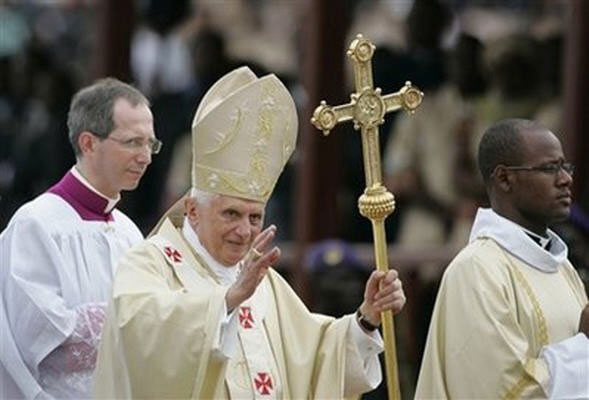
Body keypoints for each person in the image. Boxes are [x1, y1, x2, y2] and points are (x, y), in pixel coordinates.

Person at [93, 66, 406, 399]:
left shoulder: (260, 279)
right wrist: (225, 302)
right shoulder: (149, 263)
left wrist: (367, 318)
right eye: (231, 214)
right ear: (193, 210)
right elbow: (139, 338)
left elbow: (316, 356)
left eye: (255, 217)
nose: (244, 231)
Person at [0, 77, 159, 399]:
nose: (146, 157)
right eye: (132, 142)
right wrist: (139, 319)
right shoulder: (36, 225)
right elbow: (41, 340)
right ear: (88, 143)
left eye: (151, 144)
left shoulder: (129, 232)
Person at [415, 118, 589, 399]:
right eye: (549, 168)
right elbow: (501, 388)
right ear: (505, 178)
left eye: (565, 166)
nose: (566, 179)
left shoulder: (562, 268)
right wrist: (584, 349)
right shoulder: (476, 270)